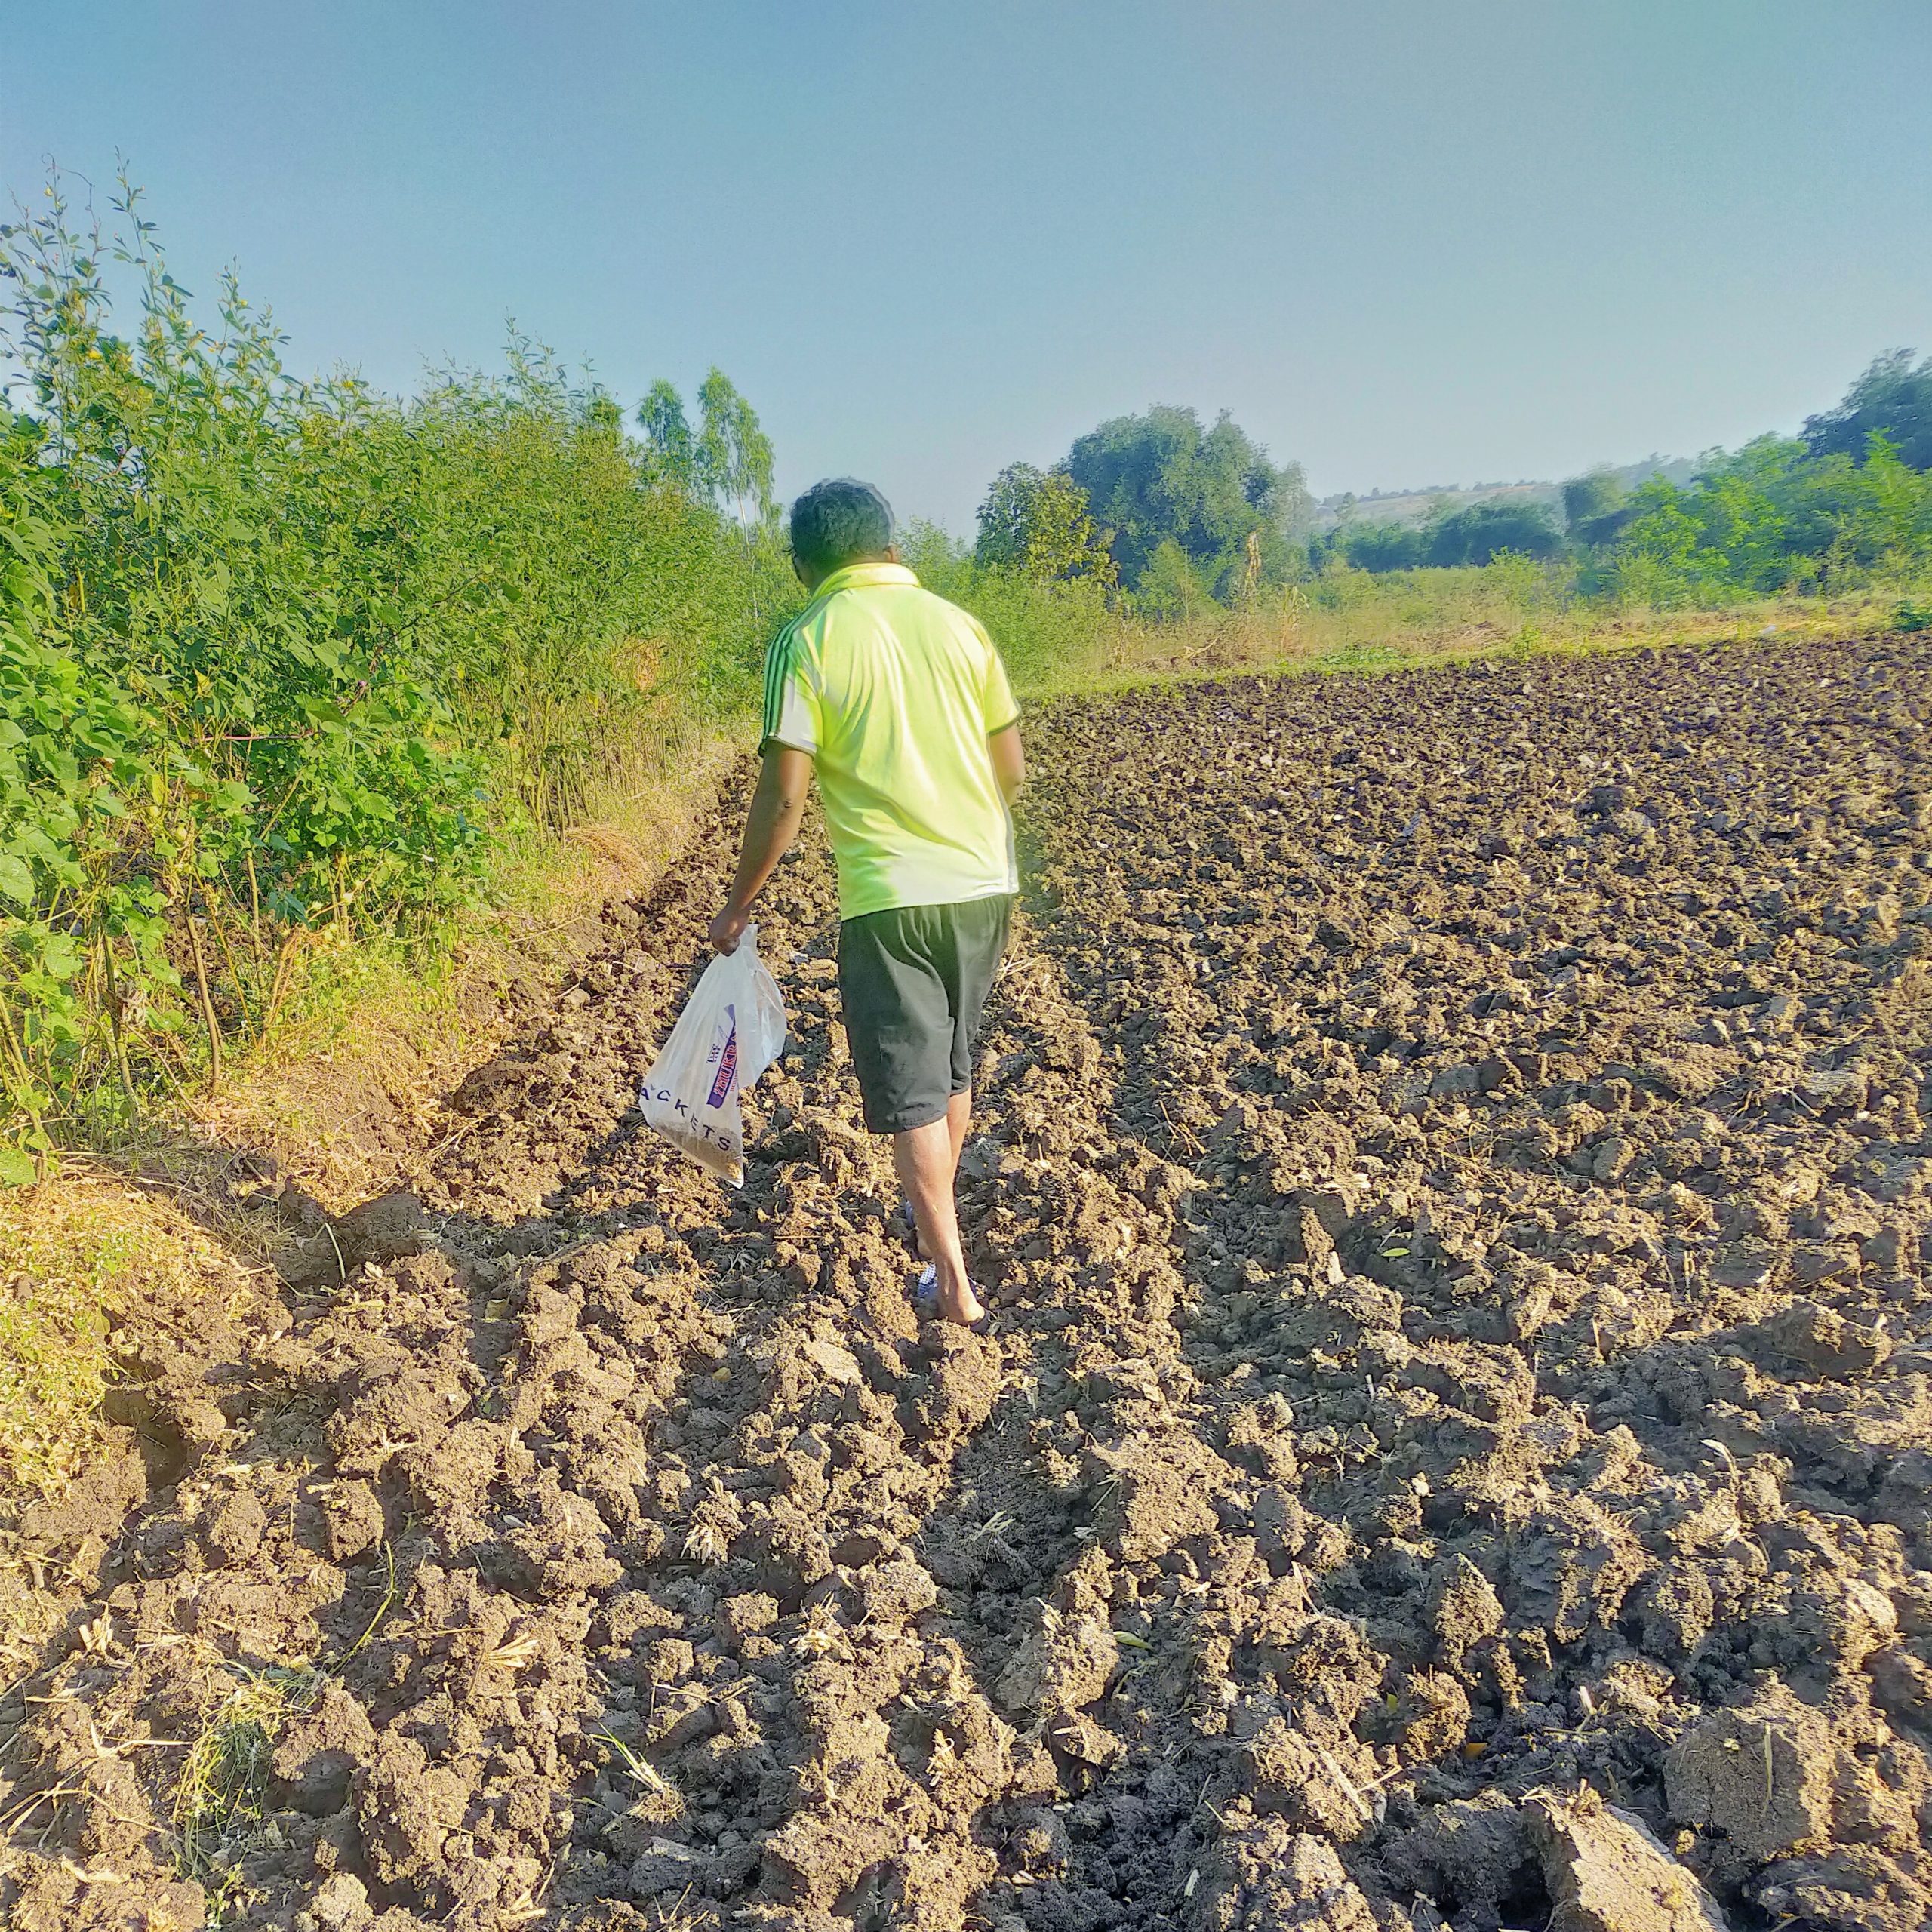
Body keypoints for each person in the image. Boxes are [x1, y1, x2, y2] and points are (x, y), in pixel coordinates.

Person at [708, 478, 1024, 1327]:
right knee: (952, 1069)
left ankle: (952, 1281)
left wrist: (738, 906)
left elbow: (782, 799)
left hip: (890, 897)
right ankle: (936, 1236)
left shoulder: (807, 638)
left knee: (912, 1088)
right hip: (986, 884)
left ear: (802, 565)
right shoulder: (961, 628)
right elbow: (1011, 770)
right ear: (891, 545)